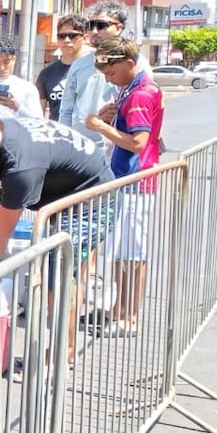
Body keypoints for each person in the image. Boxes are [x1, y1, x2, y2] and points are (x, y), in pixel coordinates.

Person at [0, 116, 113, 367]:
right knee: (56, 275)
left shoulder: (22, 168)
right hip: (72, 192)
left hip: (92, 201)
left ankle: (61, 353)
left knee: (60, 277)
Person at [84, 37, 164, 337]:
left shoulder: (142, 93)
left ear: (129, 64)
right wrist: (111, 117)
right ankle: (121, 307)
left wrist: (101, 126)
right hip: (126, 179)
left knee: (133, 252)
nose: (108, 77)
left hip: (135, 181)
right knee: (120, 250)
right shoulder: (131, 88)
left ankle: (129, 314)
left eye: (111, 71)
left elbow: (138, 142)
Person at [57, 0, 142, 152]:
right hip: (79, 150)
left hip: (118, 151)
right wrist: (63, 143)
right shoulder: (79, 65)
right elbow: (66, 110)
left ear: (119, 28)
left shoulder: (137, 63)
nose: (94, 31)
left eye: (102, 25)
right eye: (90, 26)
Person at [35, 14, 89, 120]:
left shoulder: (94, 70)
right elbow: (39, 114)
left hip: (86, 134)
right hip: (57, 134)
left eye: (72, 36)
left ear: (85, 38)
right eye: (62, 36)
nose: (67, 40)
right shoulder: (46, 73)